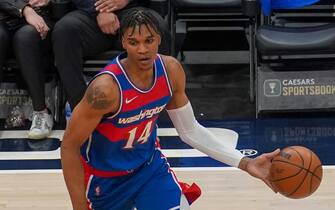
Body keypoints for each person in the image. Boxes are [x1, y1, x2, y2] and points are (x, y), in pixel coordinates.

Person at [61, 8, 280, 210]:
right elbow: (69, 147)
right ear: (123, 43)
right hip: (105, 179)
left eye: (149, 40)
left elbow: (190, 130)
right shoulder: (105, 90)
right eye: (134, 42)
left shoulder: (170, 71)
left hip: (148, 170)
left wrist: (245, 163)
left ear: (159, 39)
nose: (143, 49)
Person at [52, 0, 170, 111]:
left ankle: (148, 105)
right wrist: (99, 10)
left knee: (157, 28)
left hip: (132, 9)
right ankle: (81, 109)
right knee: (64, 31)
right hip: (89, 13)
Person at [0, 0, 54, 139]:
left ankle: (41, 112)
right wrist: (24, 9)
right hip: (5, 16)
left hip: (40, 15)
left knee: (25, 37)